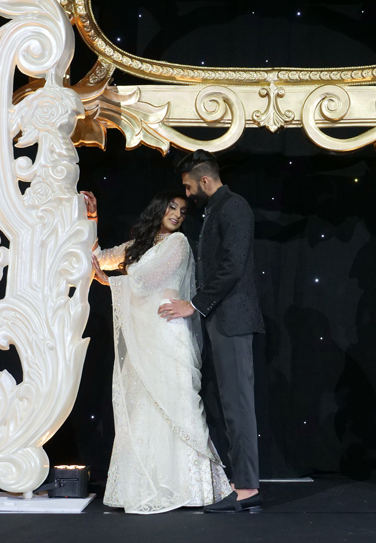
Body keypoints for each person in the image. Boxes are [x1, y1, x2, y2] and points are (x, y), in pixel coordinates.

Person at [86, 189, 231, 514]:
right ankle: (143, 486)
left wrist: (110, 282)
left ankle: (192, 490)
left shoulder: (177, 243)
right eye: (172, 207)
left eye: (182, 211)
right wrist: (92, 220)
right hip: (142, 335)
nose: (178, 214)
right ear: (158, 208)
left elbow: (146, 280)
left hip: (167, 332)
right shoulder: (136, 248)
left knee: (178, 403)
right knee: (142, 406)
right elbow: (97, 258)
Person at [158, 150, 265, 513]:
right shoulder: (217, 209)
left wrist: (196, 304)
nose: (187, 195)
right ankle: (243, 481)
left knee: (238, 405)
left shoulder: (233, 206)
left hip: (233, 319)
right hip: (223, 320)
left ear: (205, 181)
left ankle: (248, 488)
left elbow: (233, 266)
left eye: (189, 187)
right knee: (231, 405)